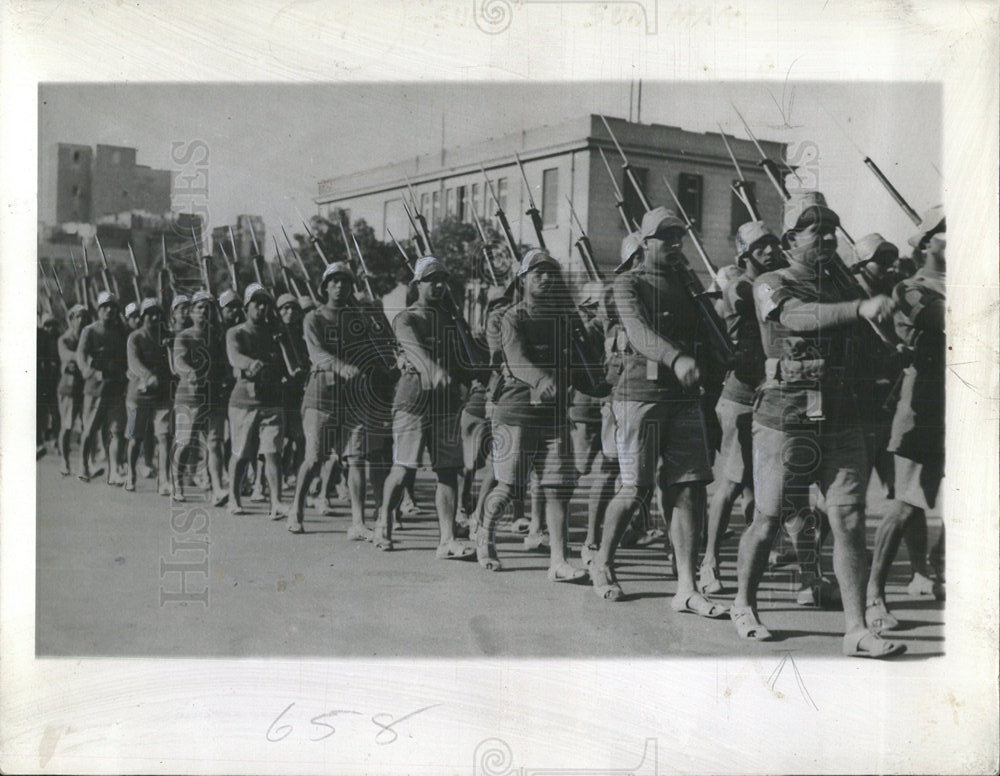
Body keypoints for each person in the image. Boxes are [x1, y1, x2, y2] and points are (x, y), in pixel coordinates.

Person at [731, 191, 907, 658]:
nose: (829, 238)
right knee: (768, 519)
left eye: (833, 229)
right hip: (785, 416)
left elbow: (875, 329)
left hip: (841, 413)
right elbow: (798, 317)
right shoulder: (770, 281)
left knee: (848, 518)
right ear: (790, 239)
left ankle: (856, 630)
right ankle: (743, 603)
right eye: (817, 230)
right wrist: (858, 308)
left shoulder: (843, 283)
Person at [589, 208, 728, 612]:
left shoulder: (687, 285)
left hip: (684, 396)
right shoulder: (627, 283)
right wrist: (676, 358)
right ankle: (603, 561)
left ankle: (686, 586)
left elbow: (707, 332)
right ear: (645, 242)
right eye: (664, 237)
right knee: (635, 489)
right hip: (640, 394)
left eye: (677, 237)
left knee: (688, 486)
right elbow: (638, 332)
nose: (673, 244)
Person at [477, 249, 607, 580]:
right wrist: (541, 379)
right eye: (538, 273)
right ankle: (485, 536)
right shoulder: (513, 317)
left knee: (557, 488)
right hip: (516, 413)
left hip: (554, 416)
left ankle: (559, 561)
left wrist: (599, 382)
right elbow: (516, 359)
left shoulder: (564, 318)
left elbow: (580, 366)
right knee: (507, 487)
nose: (546, 278)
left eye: (551, 273)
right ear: (522, 280)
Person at [865, 208, 946, 630]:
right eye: (946, 232)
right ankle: (874, 595)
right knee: (904, 502)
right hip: (925, 407)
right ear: (927, 243)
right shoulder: (910, 288)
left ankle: (938, 567)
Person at [700, 221, 785, 594]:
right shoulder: (742, 286)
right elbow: (740, 298)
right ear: (745, 254)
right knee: (732, 483)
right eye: (760, 247)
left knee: (763, 487)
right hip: (740, 395)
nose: (769, 251)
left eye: (772, 245)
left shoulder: (773, 281)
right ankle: (709, 562)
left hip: (770, 395)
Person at [374, 256, 479, 557]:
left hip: (446, 405)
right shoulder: (406, 318)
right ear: (417, 284)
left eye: (442, 279)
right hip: (413, 402)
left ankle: (447, 539)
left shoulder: (452, 320)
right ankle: (384, 523)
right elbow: (415, 352)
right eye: (431, 279)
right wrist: (434, 370)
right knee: (404, 468)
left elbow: (463, 358)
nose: (438, 285)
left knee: (448, 471)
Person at [289, 264, 396, 535]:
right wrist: (341, 366)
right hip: (321, 398)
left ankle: (358, 522)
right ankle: (296, 509)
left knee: (356, 459)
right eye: (334, 281)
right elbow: (318, 355)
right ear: (324, 287)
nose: (340, 286)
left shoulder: (356, 318)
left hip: (354, 399)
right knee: (314, 459)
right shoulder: (313, 318)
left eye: (345, 282)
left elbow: (375, 349)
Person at [226, 283, 286, 519]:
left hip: (271, 400)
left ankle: (277, 502)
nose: (261, 308)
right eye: (256, 303)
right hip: (244, 402)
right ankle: (234, 497)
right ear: (246, 307)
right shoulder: (236, 332)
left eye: (265, 304)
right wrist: (249, 364)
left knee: (272, 452)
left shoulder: (275, 333)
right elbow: (235, 356)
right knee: (241, 452)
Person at [172, 290, 227, 504]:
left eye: (208, 308)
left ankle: (218, 488)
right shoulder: (184, 336)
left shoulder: (216, 336)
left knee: (214, 443)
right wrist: (190, 372)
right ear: (192, 312)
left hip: (213, 396)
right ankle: (177, 482)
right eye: (200, 308)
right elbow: (179, 362)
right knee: (185, 442)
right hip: (189, 397)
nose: (204, 312)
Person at [76, 291, 128, 485]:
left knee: (117, 432)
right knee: (89, 430)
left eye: (113, 307)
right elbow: (81, 356)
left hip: (115, 389)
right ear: (98, 310)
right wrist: (89, 372)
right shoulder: (89, 331)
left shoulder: (121, 332)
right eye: (105, 306)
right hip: (95, 389)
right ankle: (83, 465)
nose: (109, 310)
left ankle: (114, 471)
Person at [124, 299, 173, 493]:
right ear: (142, 316)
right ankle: (131, 474)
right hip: (139, 395)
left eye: (157, 313)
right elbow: (134, 363)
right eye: (149, 313)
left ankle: (164, 480)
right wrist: (148, 375)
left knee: (164, 436)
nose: (154, 317)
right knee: (136, 438)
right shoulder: (135, 337)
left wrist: (171, 345)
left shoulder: (167, 336)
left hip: (162, 395)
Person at [56, 304, 89, 476]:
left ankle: (84, 464)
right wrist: (85, 355)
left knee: (87, 427)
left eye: (84, 317)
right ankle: (64, 460)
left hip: (85, 388)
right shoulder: (64, 340)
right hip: (69, 388)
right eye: (78, 317)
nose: (81, 320)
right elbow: (69, 356)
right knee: (67, 426)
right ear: (71, 319)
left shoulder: (89, 337)